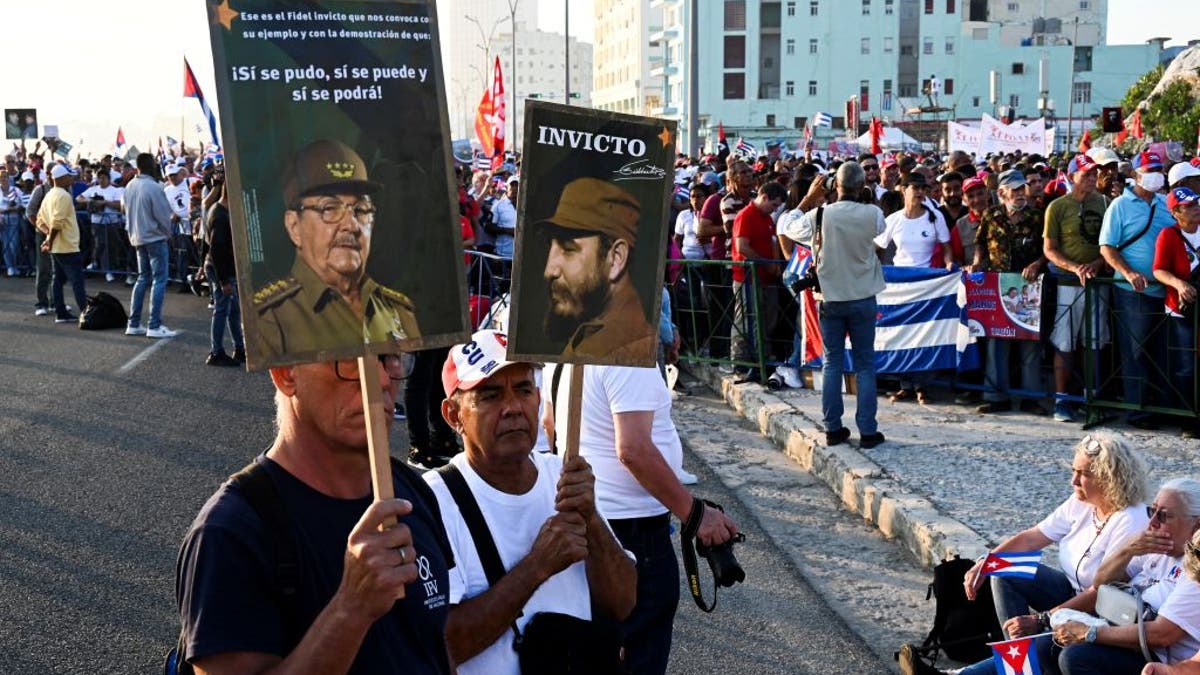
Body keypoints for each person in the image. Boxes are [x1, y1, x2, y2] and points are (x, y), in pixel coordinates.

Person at [174, 353, 453, 674]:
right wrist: (351, 610)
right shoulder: (230, 533)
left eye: (388, 357)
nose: (382, 380)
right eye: (350, 359)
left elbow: (435, 642)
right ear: (285, 374)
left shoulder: (411, 490)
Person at [425, 330, 636, 674]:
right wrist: (538, 565)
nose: (512, 408)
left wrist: (592, 522)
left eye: (523, 390)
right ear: (453, 415)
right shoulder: (435, 500)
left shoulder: (564, 476)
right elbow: (439, 645)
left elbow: (623, 603)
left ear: (539, 398)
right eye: (490, 395)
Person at [541, 358, 740, 675]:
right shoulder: (627, 355)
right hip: (633, 538)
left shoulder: (569, 349)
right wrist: (694, 514)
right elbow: (632, 449)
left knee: (594, 654)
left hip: (589, 524)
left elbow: (550, 425)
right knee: (638, 654)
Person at [906, 478, 1200, 675]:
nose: (1073, 481)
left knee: (1062, 649)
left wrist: (1048, 619)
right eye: (1154, 511)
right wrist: (989, 561)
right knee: (1005, 569)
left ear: (1105, 475)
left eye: (1082, 473)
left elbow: (1104, 594)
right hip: (1096, 603)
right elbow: (1034, 536)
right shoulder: (1081, 504)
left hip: (1092, 604)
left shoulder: (1130, 519)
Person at [253, 139, 420, 359]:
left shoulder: (399, 311)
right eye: (329, 208)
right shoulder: (269, 320)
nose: (351, 225)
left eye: (361, 209)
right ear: (294, 226)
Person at [780, 161, 887, 448]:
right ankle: (867, 430)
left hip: (831, 298)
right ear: (862, 185)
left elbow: (785, 226)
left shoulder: (819, 215)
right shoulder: (872, 213)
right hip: (863, 297)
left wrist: (808, 198)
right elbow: (881, 229)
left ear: (834, 186)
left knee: (832, 364)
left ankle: (833, 428)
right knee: (865, 365)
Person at [539, 177, 656, 362]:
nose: (549, 271)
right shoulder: (594, 330)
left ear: (616, 258)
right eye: (550, 246)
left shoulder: (626, 351)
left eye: (568, 249)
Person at [1099, 151, 1176, 430]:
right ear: (1136, 174)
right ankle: (1138, 411)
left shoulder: (1165, 204)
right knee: (1136, 352)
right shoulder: (1120, 206)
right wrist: (1130, 272)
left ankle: (1163, 407)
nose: (1156, 174)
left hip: (1165, 289)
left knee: (1163, 351)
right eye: (1150, 169)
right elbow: (1107, 246)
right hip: (1133, 291)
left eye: (1159, 169)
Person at [1043, 154, 1112, 423]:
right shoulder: (1057, 207)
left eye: (1094, 173)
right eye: (1086, 174)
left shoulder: (1106, 203)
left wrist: (1095, 264)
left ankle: (1091, 397)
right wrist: (1075, 268)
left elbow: (1110, 243)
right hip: (1067, 283)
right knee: (1064, 342)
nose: (1092, 178)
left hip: (1097, 283)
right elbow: (1049, 249)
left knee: (1095, 342)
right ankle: (1062, 399)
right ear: (1072, 177)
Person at [974, 169, 1046, 414]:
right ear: (1002, 193)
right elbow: (981, 244)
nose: (1019, 194)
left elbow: (1047, 249)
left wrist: (1038, 263)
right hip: (998, 285)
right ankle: (996, 396)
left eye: (1021, 188)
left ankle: (1030, 397)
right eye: (1014, 190)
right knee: (997, 343)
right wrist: (977, 263)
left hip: (1029, 286)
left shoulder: (1037, 216)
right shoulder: (991, 215)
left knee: (1029, 342)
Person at [875, 171, 952, 404]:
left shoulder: (935, 217)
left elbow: (946, 246)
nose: (920, 192)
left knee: (923, 335)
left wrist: (948, 264)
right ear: (903, 189)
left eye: (923, 189)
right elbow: (876, 247)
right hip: (898, 284)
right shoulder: (893, 220)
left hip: (926, 284)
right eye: (915, 187)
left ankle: (922, 386)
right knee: (901, 335)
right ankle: (905, 385)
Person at [1152, 187, 1200, 438]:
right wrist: (1179, 284)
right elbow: (1159, 269)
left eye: (1196, 203)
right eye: (1189, 206)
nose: (1196, 208)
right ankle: (1187, 419)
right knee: (1185, 366)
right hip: (1181, 310)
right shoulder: (1168, 235)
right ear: (1176, 213)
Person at [729, 181, 785, 378]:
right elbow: (742, 246)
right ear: (764, 197)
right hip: (747, 277)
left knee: (767, 320)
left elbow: (772, 241)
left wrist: (775, 264)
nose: (775, 210)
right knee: (745, 319)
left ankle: (761, 358)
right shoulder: (746, 215)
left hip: (766, 277)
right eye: (774, 205)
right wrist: (766, 263)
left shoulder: (767, 218)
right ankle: (740, 362)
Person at [123, 153, 179, 338]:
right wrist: (168, 233)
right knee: (159, 280)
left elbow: (125, 210)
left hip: (137, 238)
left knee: (142, 278)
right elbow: (163, 215)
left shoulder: (130, 185)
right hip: (154, 238)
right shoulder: (154, 187)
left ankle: (133, 322)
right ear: (151, 166)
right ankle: (154, 325)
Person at [37, 164, 87, 324]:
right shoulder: (63, 196)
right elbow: (57, 223)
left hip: (57, 247)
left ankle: (61, 313)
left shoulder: (50, 194)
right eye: (69, 176)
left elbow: (39, 219)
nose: (72, 179)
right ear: (62, 178)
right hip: (67, 246)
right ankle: (86, 314)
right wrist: (50, 240)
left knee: (57, 280)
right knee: (77, 281)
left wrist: (48, 238)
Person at [202, 181, 244, 366]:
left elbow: (206, 243)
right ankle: (216, 352)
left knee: (233, 310)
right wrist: (224, 280)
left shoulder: (219, 210)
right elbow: (217, 248)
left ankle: (240, 349)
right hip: (221, 268)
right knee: (222, 309)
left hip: (220, 266)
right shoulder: (220, 215)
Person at [77, 169, 124, 282]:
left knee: (110, 247)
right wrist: (91, 201)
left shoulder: (115, 190)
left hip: (111, 222)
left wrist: (105, 203)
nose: (102, 180)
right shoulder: (93, 189)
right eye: (100, 177)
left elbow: (119, 205)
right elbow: (78, 198)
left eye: (104, 177)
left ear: (108, 178)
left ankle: (108, 269)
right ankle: (97, 263)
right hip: (97, 222)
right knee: (99, 244)